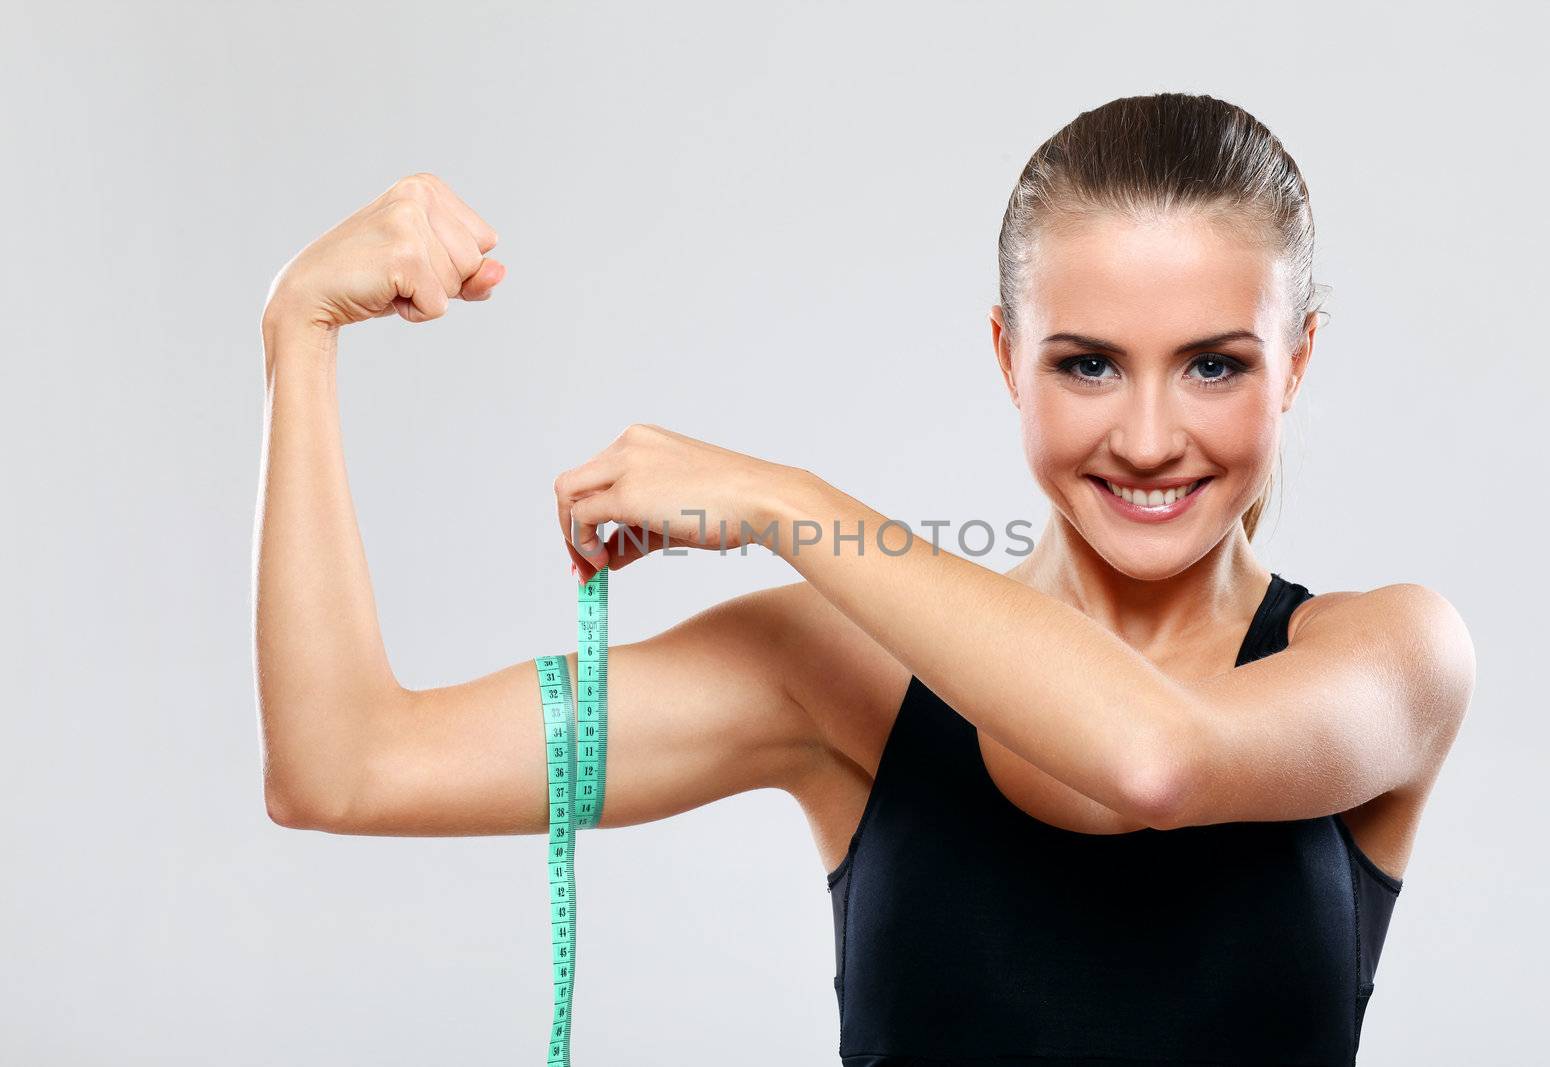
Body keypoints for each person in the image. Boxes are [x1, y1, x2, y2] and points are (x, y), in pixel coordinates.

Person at [254, 92, 1476, 1066]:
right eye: (1088, 363)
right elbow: (348, 763)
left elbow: (1154, 758)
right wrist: (298, 333)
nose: (1149, 436)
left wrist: (787, 503)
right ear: (1008, 358)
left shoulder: (1390, 655)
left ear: (1297, 359)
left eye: (1213, 365)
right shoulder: (831, 672)